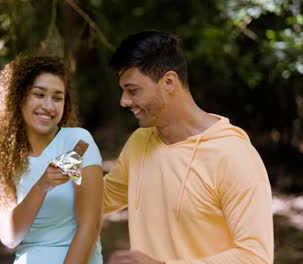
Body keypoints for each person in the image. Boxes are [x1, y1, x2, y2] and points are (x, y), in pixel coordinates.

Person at [103, 31, 274, 264]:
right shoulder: (139, 142)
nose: (124, 101)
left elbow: (256, 258)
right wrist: (64, 155)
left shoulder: (233, 156)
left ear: (169, 82)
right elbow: (98, 200)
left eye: (132, 91)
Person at [0, 55, 104, 264]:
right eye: (39, 94)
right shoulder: (6, 159)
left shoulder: (76, 143)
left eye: (57, 98)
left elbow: (89, 226)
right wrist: (41, 186)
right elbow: (10, 237)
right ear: (18, 98)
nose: (48, 106)